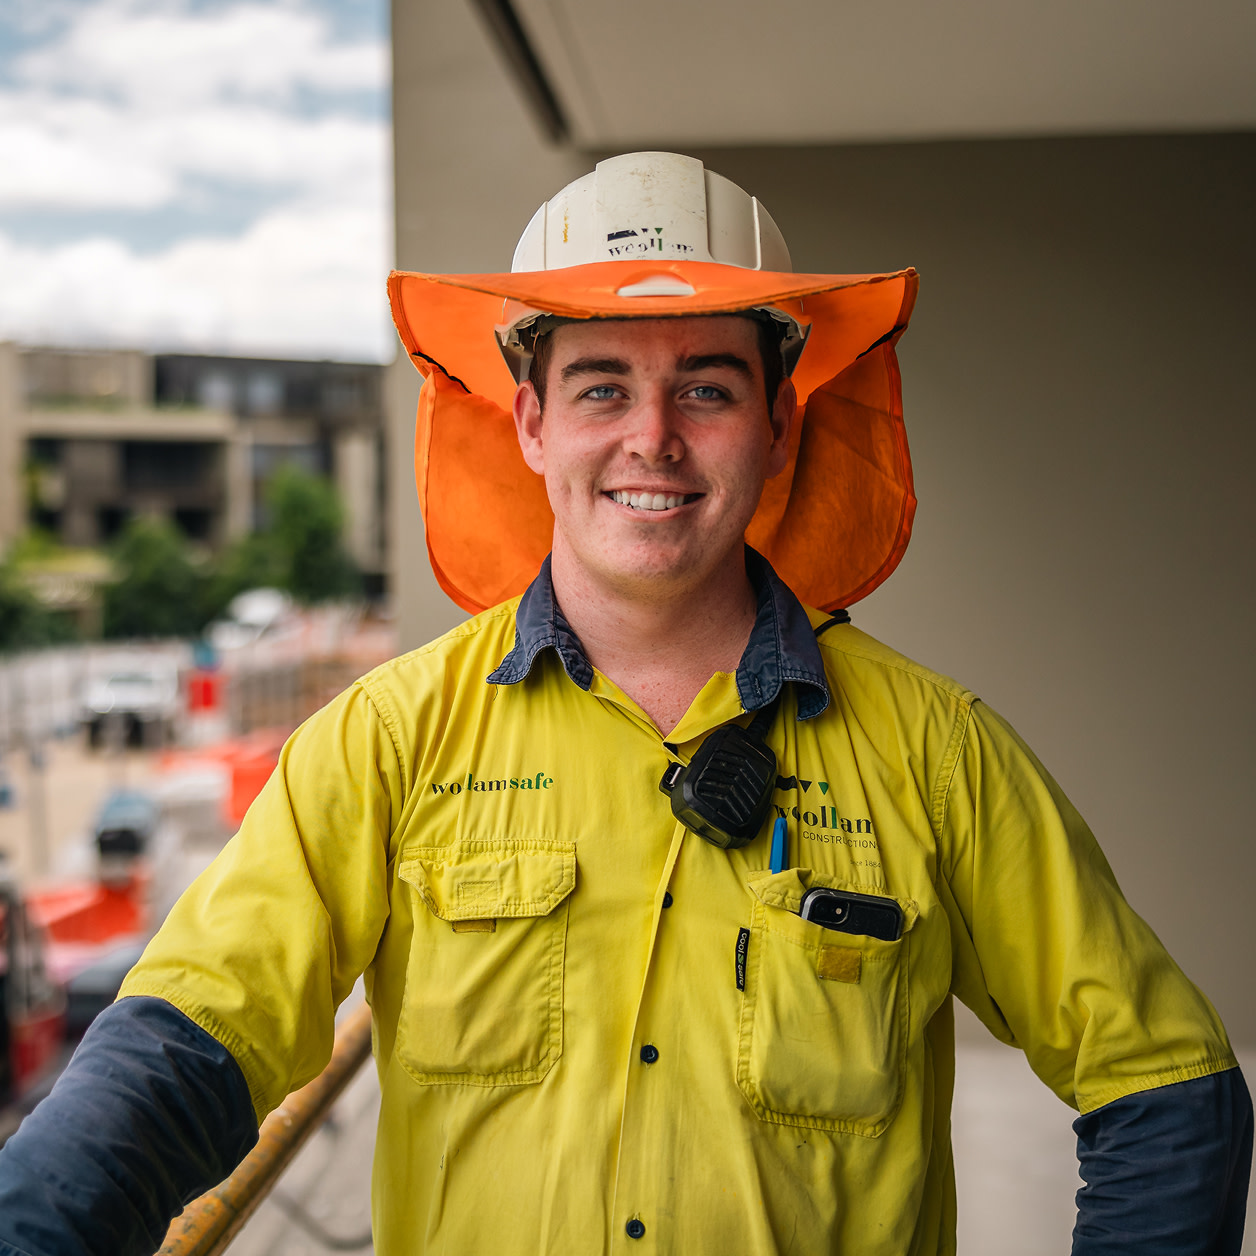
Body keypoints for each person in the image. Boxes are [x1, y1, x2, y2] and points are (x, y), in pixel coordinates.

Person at [0, 152, 1249, 1256]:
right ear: (531, 423)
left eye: (706, 386)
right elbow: (182, 1046)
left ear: (776, 422)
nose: (652, 437)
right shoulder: (389, 741)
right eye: (601, 386)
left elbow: (1165, 1085)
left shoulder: (937, 754)